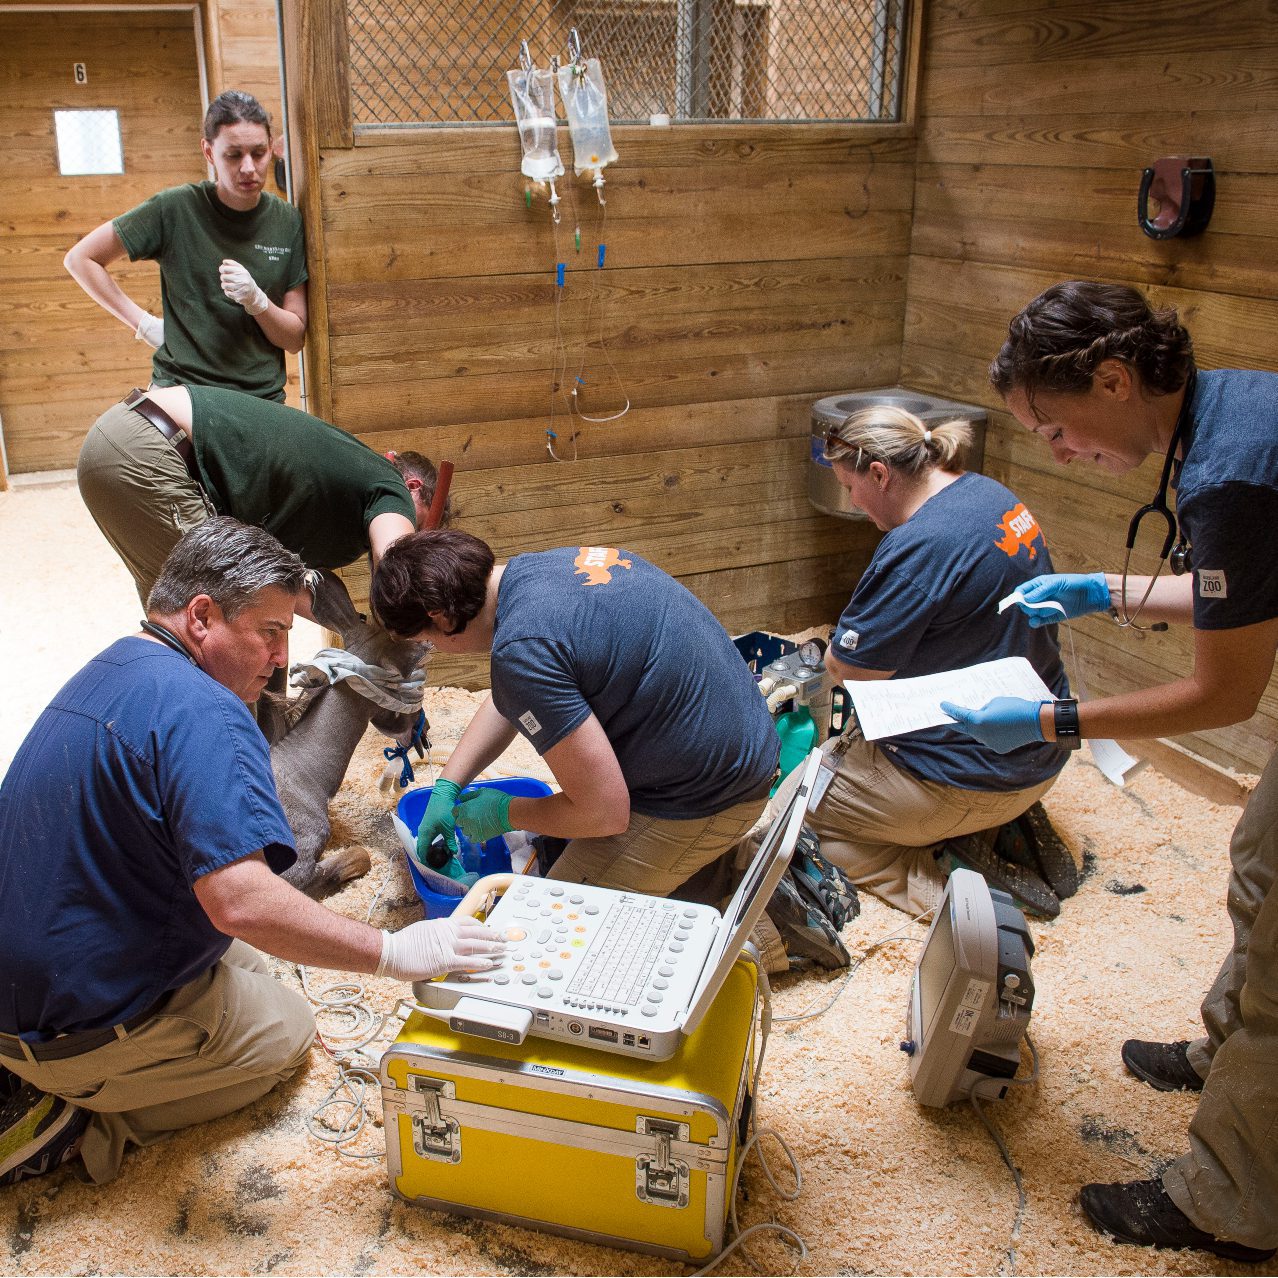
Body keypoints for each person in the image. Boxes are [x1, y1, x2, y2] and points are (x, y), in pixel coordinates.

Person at [0, 519, 503, 1189]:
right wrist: (391, 953)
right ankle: (83, 1128)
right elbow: (239, 901)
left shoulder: (116, 662)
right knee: (286, 1033)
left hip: (29, 980)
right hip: (68, 1031)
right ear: (202, 616)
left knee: (254, 956)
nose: (279, 657)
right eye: (268, 633)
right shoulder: (210, 711)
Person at [941, 280, 1278, 1264]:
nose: (1058, 452)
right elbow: (1242, 589)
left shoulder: (1228, 472)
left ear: (1115, 379)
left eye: (1053, 429)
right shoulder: (1231, 405)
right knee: (1258, 862)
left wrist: (1055, 718)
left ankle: (1229, 1205)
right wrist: (1108, 591)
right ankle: (1227, 1055)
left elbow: (1226, 695)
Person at [750, 405, 1070, 920]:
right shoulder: (990, 494)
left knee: (791, 817)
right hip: (1044, 749)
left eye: (851, 487)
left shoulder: (918, 546)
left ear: (879, 474)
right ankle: (988, 829)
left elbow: (848, 668)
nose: (854, 503)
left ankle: (949, 895)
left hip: (966, 777)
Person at [369, 532, 781, 896]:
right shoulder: (534, 572)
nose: (434, 649)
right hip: (739, 747)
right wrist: (447, 786)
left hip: (712, 796)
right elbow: (515, 694)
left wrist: (503, 812)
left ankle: (756, 915)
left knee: (552, 925)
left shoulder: (522, 651)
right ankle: (706, 871)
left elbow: (603, 811)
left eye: (427, 640)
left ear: (441, 618)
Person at [76, 382, 443, 607]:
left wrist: (352, 625)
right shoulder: (389, 484)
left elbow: (279, 589)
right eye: (416, 525)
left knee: (184, 622)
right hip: (151, 448)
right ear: (413, 488)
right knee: (230, 616)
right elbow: (397, 561)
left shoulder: (339, 496)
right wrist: (410, 624)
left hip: (126, 437)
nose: (409, 531)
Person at [64, 90, 307, 403]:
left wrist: (259, 303)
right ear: (208, 151)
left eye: (258, 153)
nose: (248, 167)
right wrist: (144, 324)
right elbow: (81, 258)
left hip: (259, 398)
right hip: (182, 391)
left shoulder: (287, 221)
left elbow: (294, 339)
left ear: (271, 149)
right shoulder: (176, 208)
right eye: (233, 155)